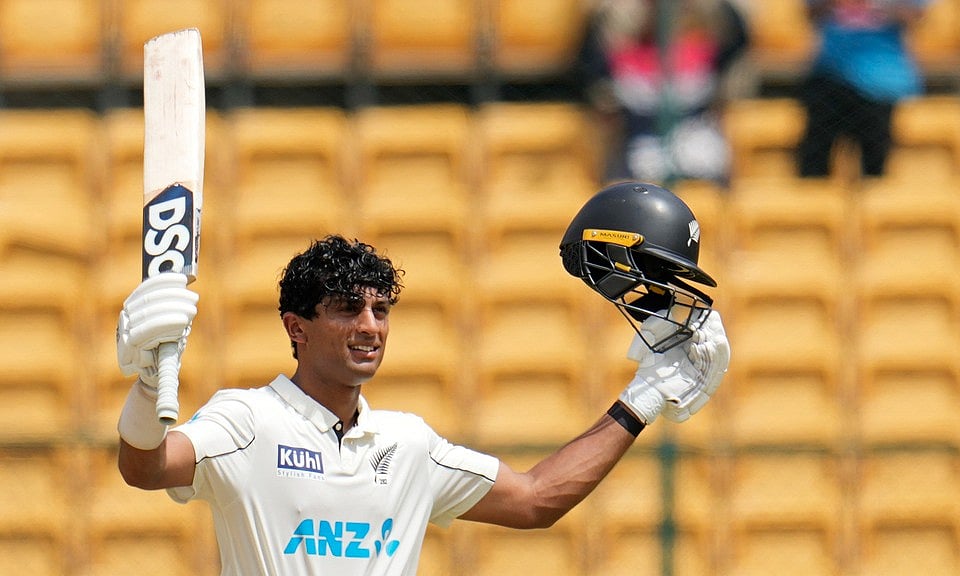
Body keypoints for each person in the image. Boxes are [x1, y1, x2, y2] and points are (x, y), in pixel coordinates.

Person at [115, 181, 730, 576]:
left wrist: (641, 400)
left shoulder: (409, 446)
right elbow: (145, 467)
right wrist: (147, 387)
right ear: (296, 327)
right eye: (347, 310)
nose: (370, 327)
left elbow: (538, 500)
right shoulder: (247, 420)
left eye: (380, 311)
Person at [576, 0, 749, 186]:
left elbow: (738, 41)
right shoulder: (623, 57)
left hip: (700, 155)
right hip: (639, 155)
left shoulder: (704, 53)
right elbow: (590, 61)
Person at [796, 0, 931, 178]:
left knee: (875, 172)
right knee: (813, 169)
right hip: (830, 77)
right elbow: (810, 12)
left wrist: (876, 7)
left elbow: (915, 15)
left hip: (880, 83)